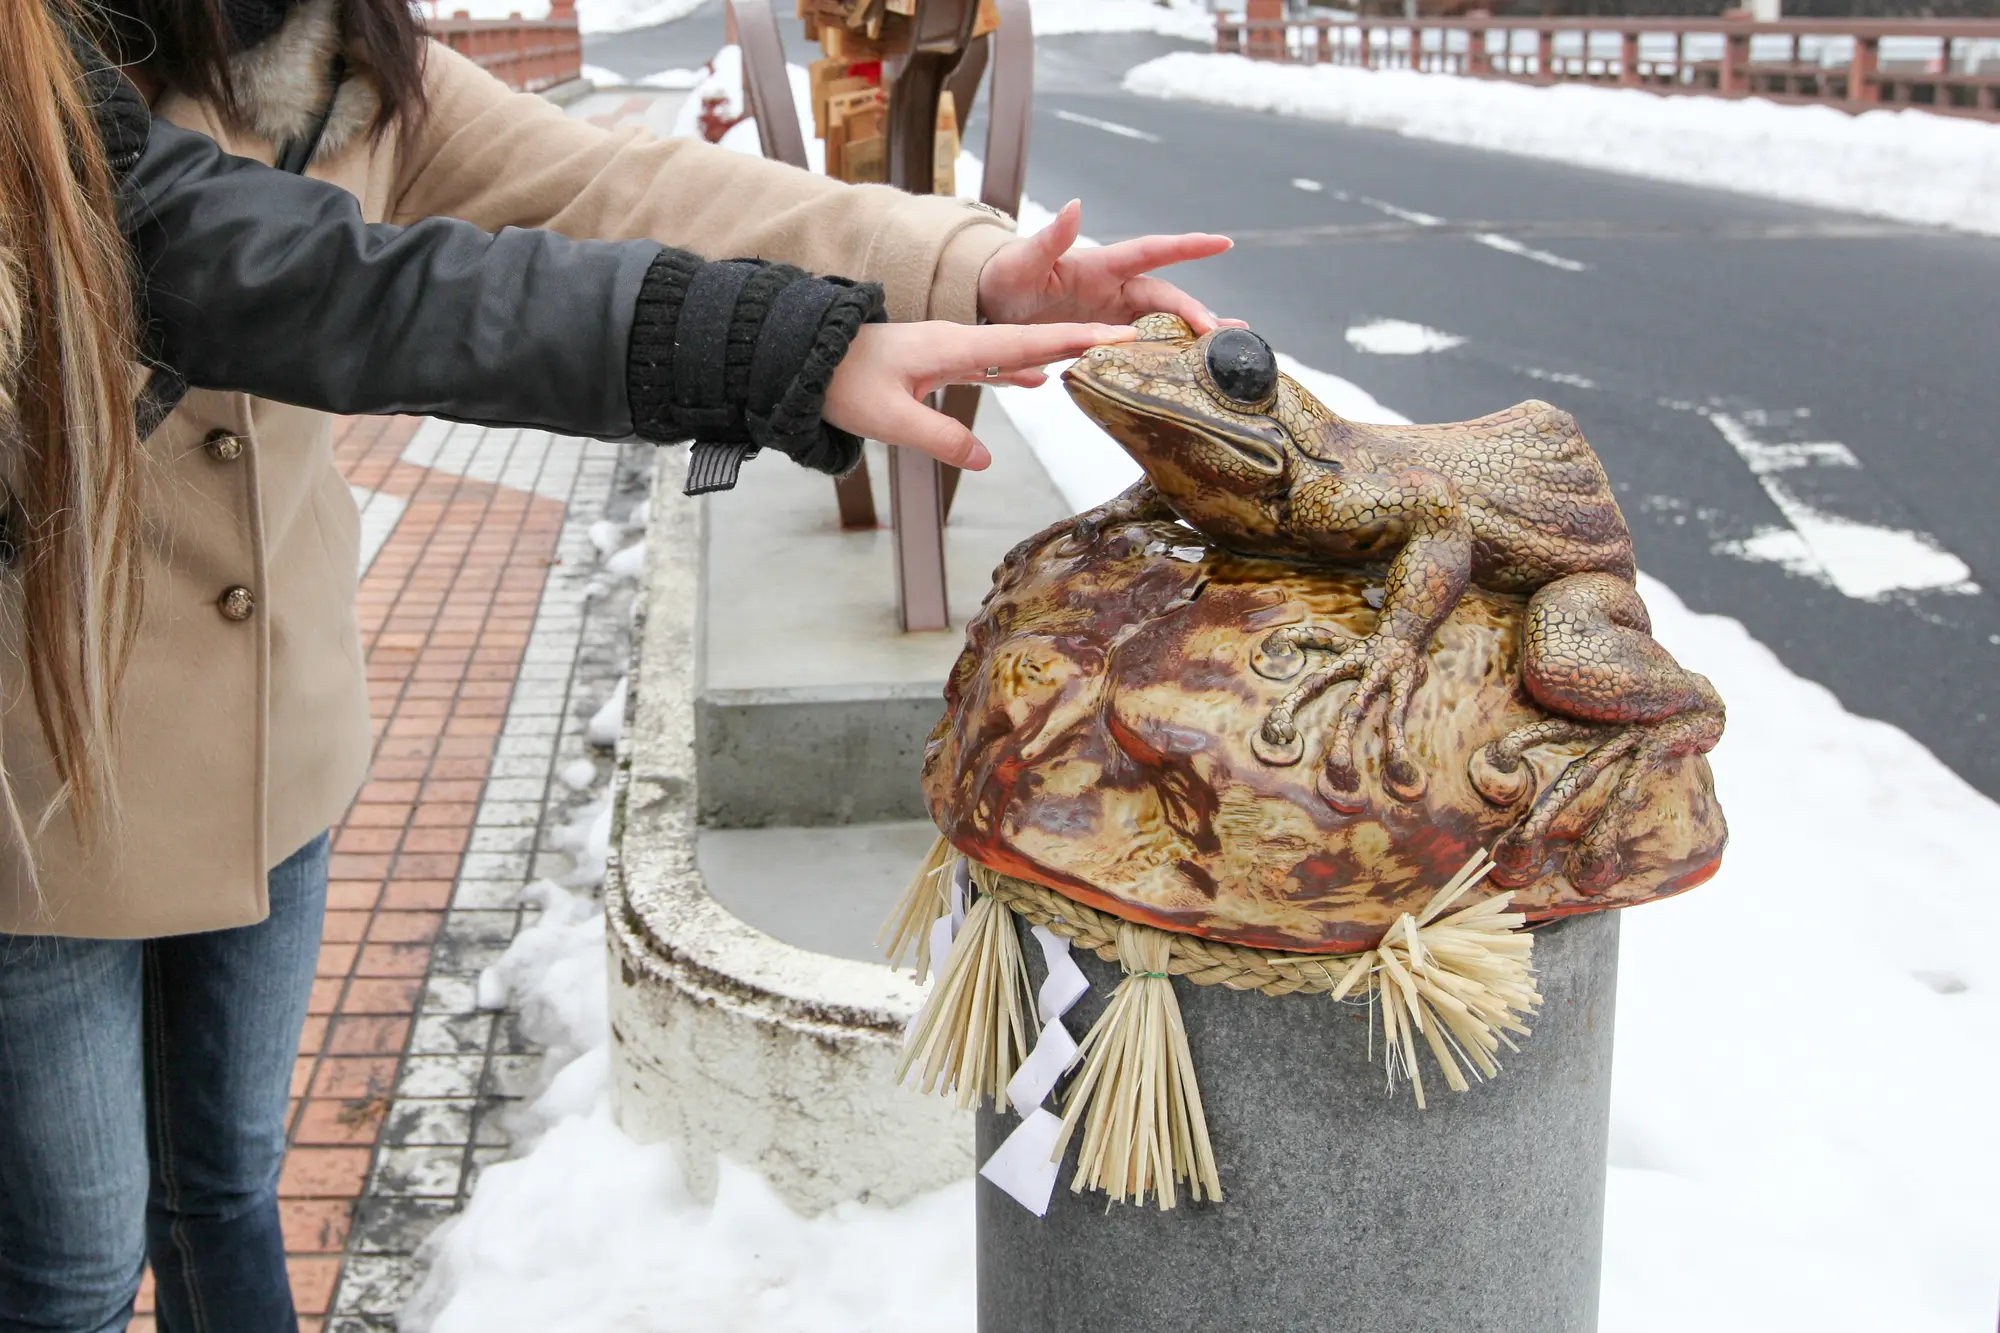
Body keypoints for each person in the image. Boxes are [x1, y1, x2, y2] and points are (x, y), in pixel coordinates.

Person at [0, 3, 1237, 1330]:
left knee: (228, 1189)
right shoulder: (43, 71)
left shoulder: (333, 55)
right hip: (53, 767)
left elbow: (619, 184)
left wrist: (965, 265)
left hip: (274, 745)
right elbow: (323, 282)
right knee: (71, 1260)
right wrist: (775, 350)